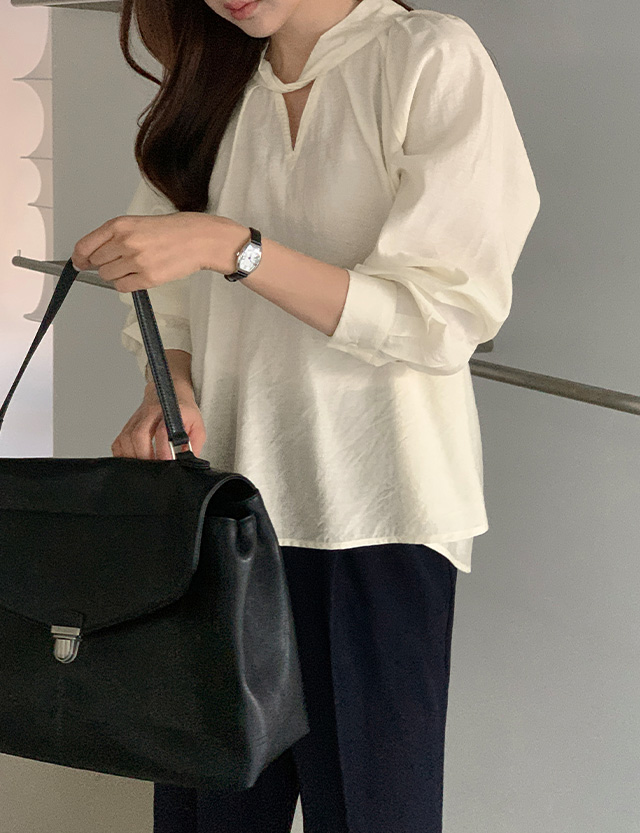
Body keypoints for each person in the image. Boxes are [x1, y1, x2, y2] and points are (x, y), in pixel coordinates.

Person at [71, 0, 540, 829]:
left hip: (379, 520)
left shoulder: (426, 58)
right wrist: (169, 384)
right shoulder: (212, 82)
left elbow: (441, 315)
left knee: (371, 814)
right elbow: (163, 292)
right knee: (203, 816)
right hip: (222, 519)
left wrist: (235, 248)